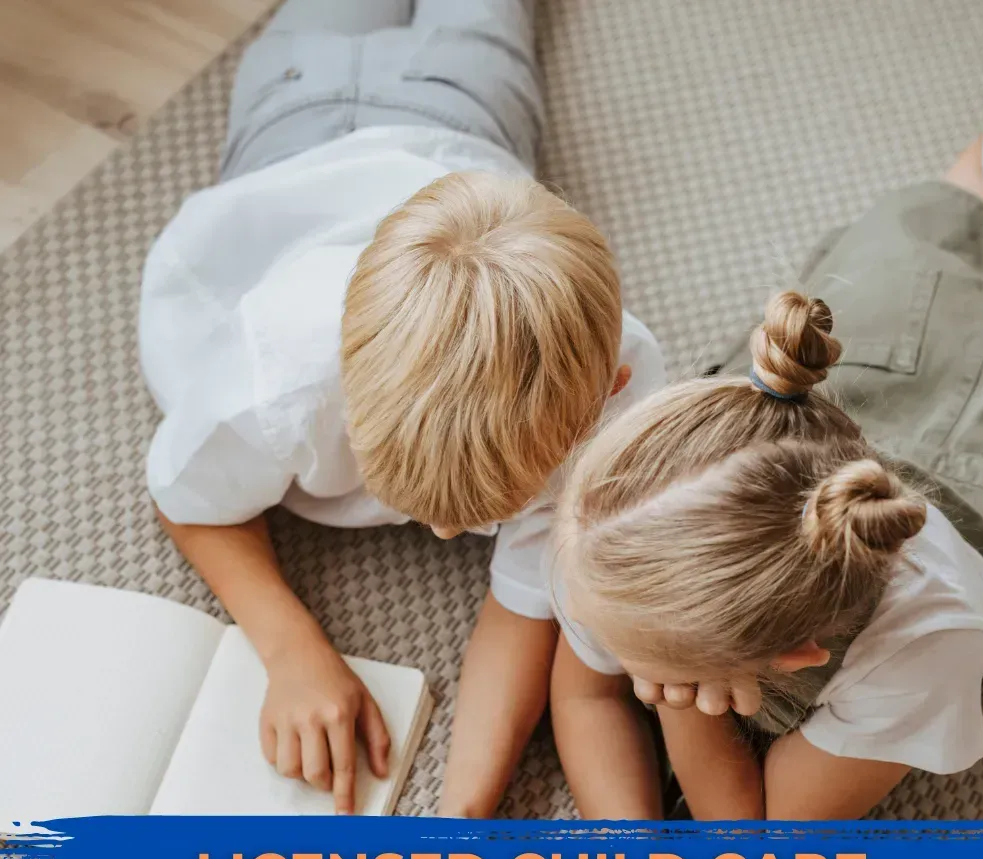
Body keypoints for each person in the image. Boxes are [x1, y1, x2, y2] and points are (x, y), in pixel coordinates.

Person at [549, 126, 983, 859]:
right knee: (961, 225)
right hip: (880, 367)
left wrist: (678, 718)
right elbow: (583, 695)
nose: (606, 659)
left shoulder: (925, 648)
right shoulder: (620, 526)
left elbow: (755, 841)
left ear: (792, 661)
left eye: (650, 672)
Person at [139, 0, 666, 817]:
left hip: (464, 106)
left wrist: (462, 820)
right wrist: (290, 646)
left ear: (607, 395)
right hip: (296, 106)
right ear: (345, 394)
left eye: (477, 514)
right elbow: (186, 500)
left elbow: (522, 607)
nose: (450, 537)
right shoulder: (278, 380)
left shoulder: (617, 386)